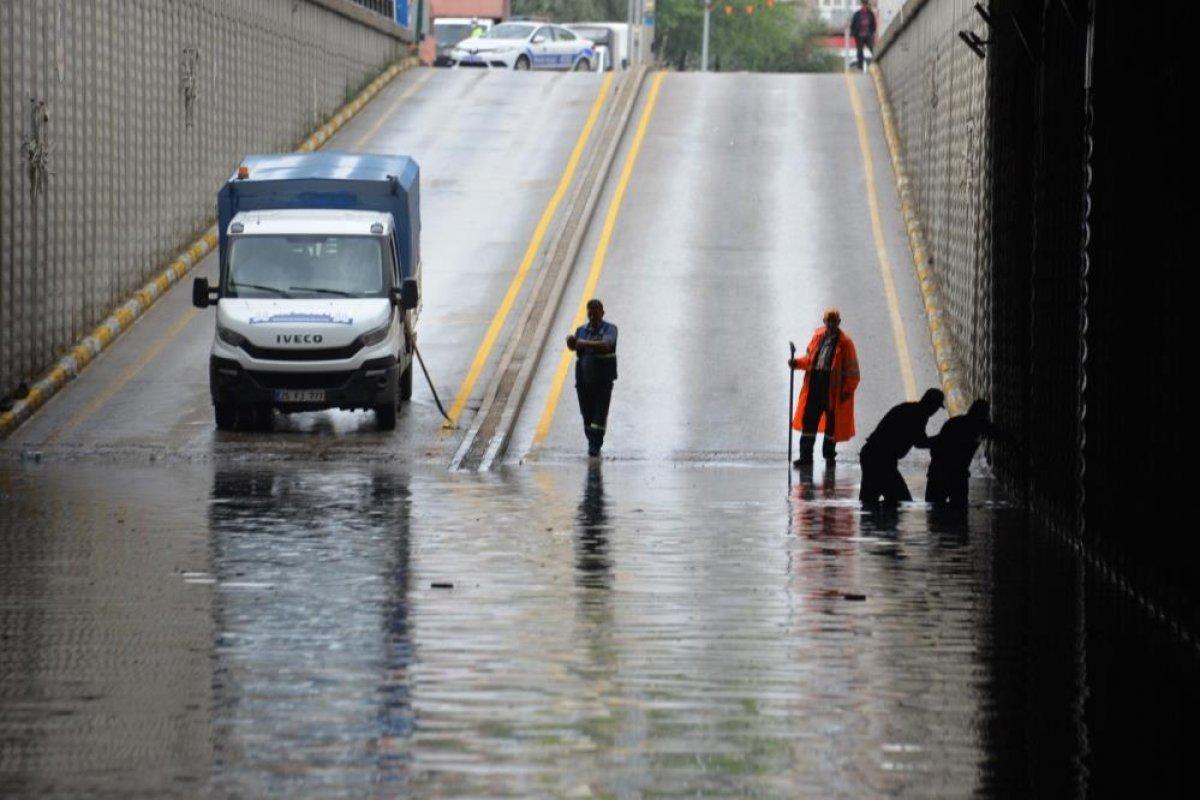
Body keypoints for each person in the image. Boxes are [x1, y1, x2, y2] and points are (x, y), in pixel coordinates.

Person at [789, 308, 860, 466]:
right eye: (828, 321)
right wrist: (796, 363)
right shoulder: (818, 337)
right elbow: (809, 359)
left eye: (834, 321)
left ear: (839, 322)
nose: (831, 324)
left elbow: (853, 373)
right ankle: (806, 457)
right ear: (824, 322)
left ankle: (829, 457)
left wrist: (846, 392)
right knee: (809, 421)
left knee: (831, 427)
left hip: (833, 392)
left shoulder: (846, 344)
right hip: (815, 387)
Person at [859, 388, 944, 504]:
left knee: (869, 502)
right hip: (880, 460)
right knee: (901, 500)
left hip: (873, 456)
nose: (935, 411)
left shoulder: (912, 409)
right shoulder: (918, 415)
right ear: (932, 405)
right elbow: (920, 442)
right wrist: (942, 439)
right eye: (936, 407)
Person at [567, 299, 618, 458]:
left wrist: (584, 343)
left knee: (599, 414)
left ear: (602, 313)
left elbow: (607, 345)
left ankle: (595, 445)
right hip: (584, 380)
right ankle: (592, 440)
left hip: (603, 380)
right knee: (587, 414)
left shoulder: (610, 329)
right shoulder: (581, 330)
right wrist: (571, 342)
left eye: (595, 312)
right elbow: (574, 346)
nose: (592, 315)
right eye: (590, 311)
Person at [925, 399, 998, 507]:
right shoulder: (981, 427)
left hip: (938, 474)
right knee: (959, 514)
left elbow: (936, 448)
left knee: (934, 512)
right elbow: (1002, 435)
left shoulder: (953, 423)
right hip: (957, 477)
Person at [849, 0, 877, 70]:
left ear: (867, 5)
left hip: (868, 35)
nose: (864, 6)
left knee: (872, 48)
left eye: (865, 4)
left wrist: (873, 32)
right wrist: (853, 33)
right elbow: (853, 24)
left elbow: (873, 24)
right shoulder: (857, 14)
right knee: (859, 51)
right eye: (863, 4)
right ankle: (860, 67)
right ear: (861, 5)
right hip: (859, 36)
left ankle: (876, 62)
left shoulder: (870, 14)